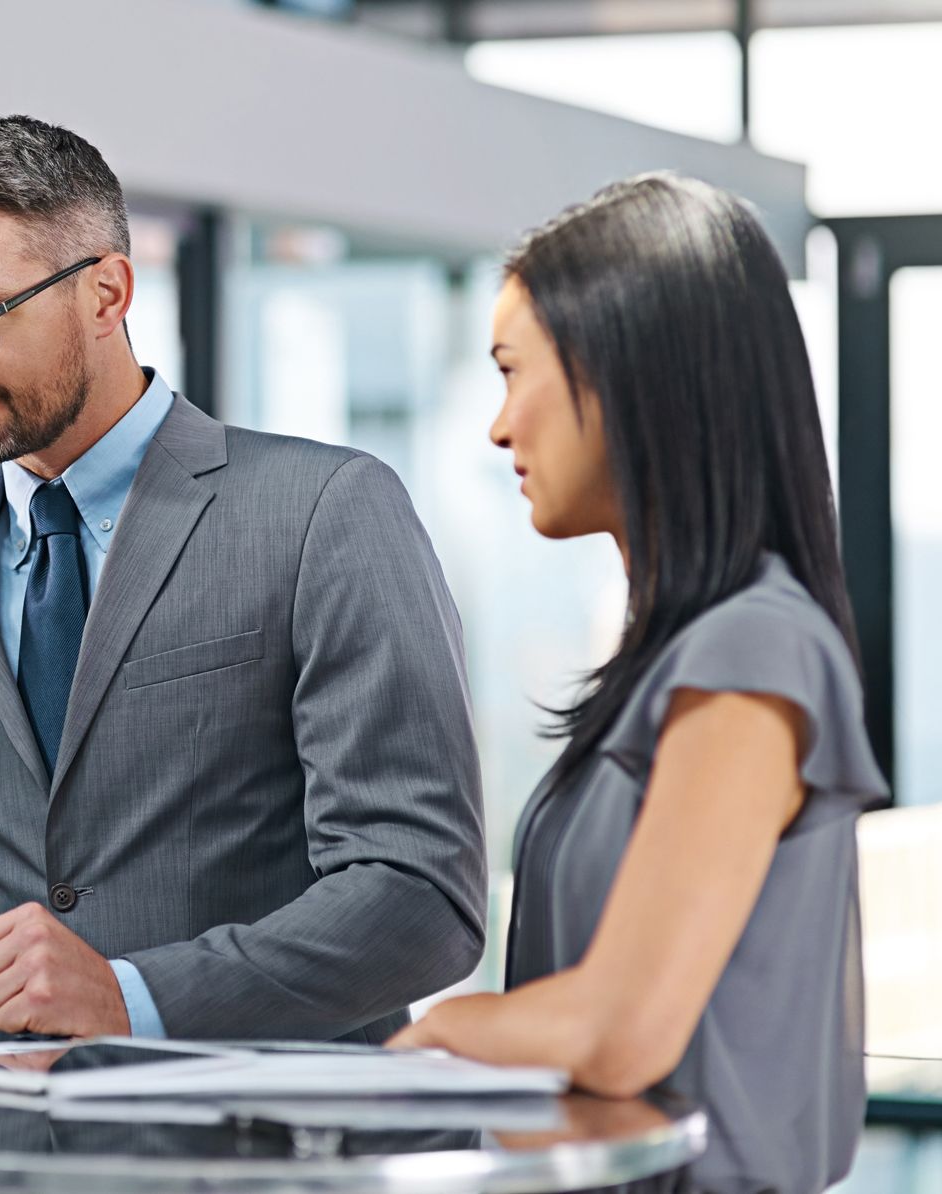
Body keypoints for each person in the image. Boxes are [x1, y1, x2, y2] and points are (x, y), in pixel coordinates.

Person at [0, 115, 486, 1042]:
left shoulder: (326, 511)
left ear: (107, 294)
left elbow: (418, 896)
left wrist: (136, 999)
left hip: (272, 1159)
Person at [392, 174, 889, 1194]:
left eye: (513, 372)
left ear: (628, 373)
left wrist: (444, 1029)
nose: (498, 429)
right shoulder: (686, 650)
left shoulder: (752, 646)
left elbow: (619, 1033)